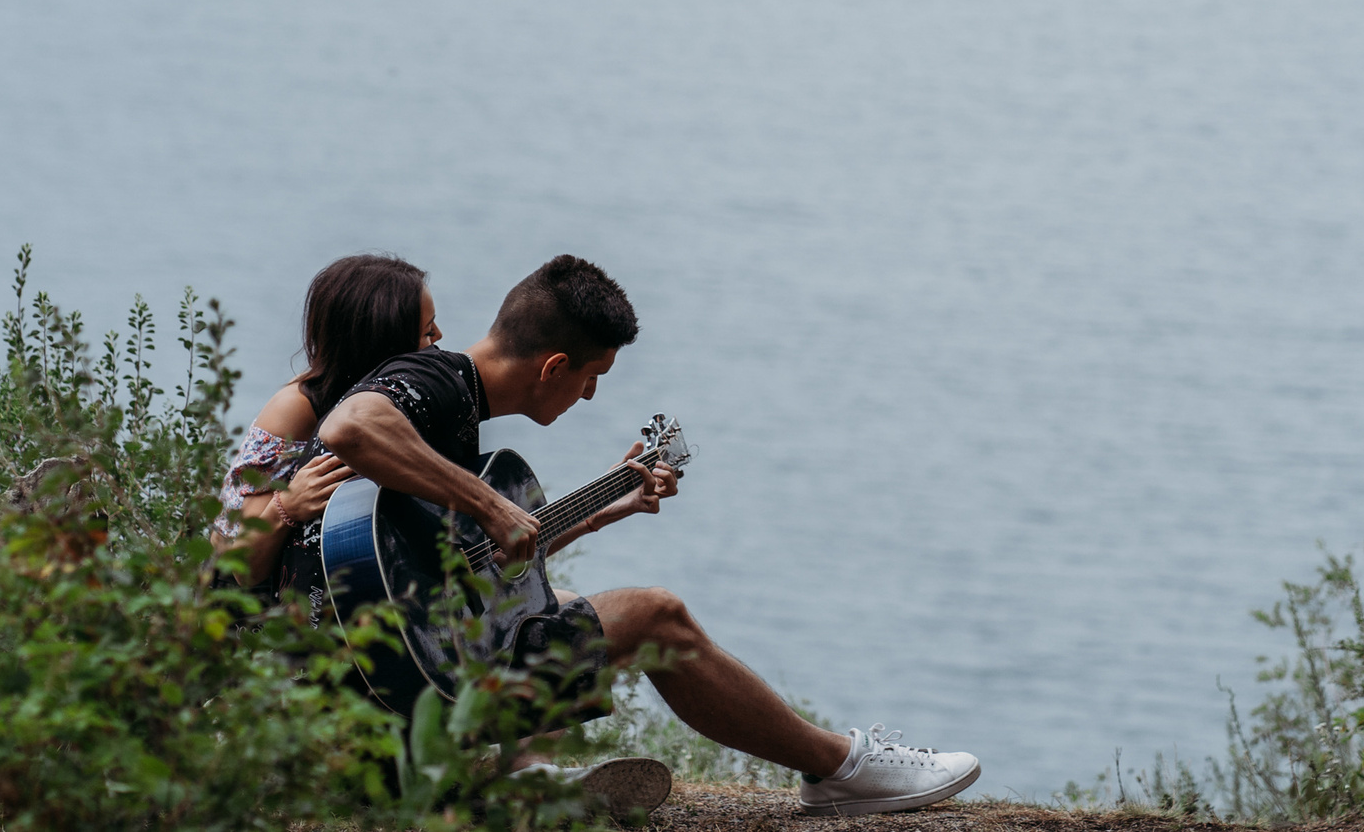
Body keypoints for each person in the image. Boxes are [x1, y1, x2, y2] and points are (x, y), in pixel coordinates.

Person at [317, 253, 981, 817]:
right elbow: (351, 427)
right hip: (386, 677)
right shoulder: (439, 381)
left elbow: (461, 566)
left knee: (546, 594)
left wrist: (610, 502)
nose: (589, 395)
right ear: (553, 367)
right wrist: (488, 502)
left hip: (373, 674)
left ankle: (522, 776)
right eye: (590, 376)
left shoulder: (455, 408)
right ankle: (839, 767)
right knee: (655, 613)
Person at [212, 254, 437, 610]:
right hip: (243, 617)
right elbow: (241, 567)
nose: (439, 338)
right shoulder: (297, 409)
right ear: (384, 340)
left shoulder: (387, 399)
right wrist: (288, 505)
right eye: (427, 331)